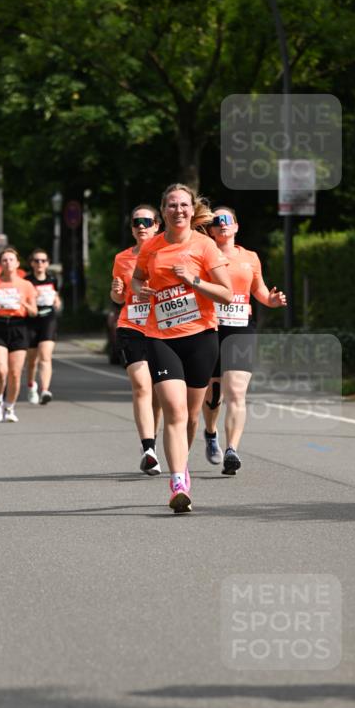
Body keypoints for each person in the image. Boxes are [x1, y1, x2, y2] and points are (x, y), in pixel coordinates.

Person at [131, 183, 233, 513]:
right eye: (172, 205)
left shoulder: (205, 246)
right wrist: (141, 291)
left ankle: (182, 465)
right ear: (163, 211)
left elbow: (226, 294)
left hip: (201, 336)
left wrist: (193, 280)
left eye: (184, 205)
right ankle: (177, 481)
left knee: (190, 416)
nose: (179, 210)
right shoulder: (152, 247)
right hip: (160, 336)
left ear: (192, 209)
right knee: (174, 411)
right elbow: (137, 278)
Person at [203, 206, 287, 475]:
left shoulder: (250, 257)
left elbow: (259, 290)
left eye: (227, 220)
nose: (222, 224)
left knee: (236, 392)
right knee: (213, 395)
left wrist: (270, 300)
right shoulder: (204, 254)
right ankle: (211, 433)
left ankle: (232, 450)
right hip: (210, 328)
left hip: (241, 328)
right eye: (217, 221)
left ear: (236, 227)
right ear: (211, 229)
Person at [111, 205, 162, 475]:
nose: (141, 226)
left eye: (146, 221)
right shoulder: (122, 258)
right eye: (136, 222)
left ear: (157, 225)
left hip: (162, 328)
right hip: (131, 325)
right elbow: (119, 299)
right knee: (142, 385)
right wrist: (117, 291)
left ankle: (153, 437)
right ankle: (149, 449)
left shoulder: (165, 253)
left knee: (159, 392)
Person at [0, 247, 37, 423]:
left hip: (19, 328)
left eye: (11, 260)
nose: (8, 263)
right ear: (0, 264)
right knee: (1, 369)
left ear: (17, 263)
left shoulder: (26, 285)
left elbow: (34, 312)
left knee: (15, 373)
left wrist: (23, 303)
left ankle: (10, 407)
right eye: (4, 260)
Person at [24, 249, 61, 405]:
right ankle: (32, 385)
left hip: (49, 319)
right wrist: (31, 300)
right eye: (37, 261)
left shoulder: (52, 279)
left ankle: (45, 390)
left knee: (45, 356)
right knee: (32, 360)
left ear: (48, 263)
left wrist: (57, 301)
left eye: (43, 261)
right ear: (32, 263)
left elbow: (56, 295)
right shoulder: (27, 281)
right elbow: (21, 300)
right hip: (31, 321)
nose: (40, 264)